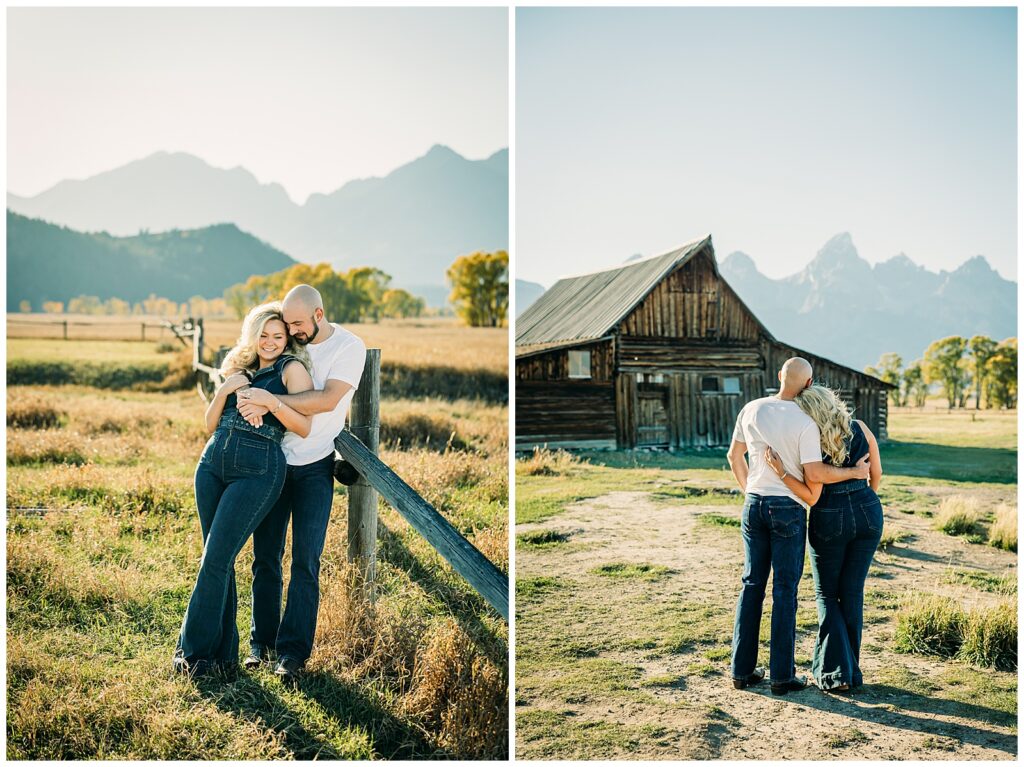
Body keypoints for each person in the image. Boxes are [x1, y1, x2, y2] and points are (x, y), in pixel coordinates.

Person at [174, 302, 314, 677]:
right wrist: (226, 391)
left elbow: (304, 426)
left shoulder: (292, 369)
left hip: (257, 469)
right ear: (253, 336)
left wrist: (269, 404)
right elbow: (209, 424)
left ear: (287, 340)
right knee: (217, 559)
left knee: (215, 559)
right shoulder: (241, 370)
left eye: (277, 336)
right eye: (263, 335)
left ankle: (192, 655)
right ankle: (223, 655)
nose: (269, 342)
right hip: (211, 464)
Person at [236, 284, 366, 684]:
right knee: (266, 558)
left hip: (314, 466)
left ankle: (292, 654)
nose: (291, 332)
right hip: (272, 462)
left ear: (319, 315)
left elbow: (327, 400)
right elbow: (250, 362)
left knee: (306, 563)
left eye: (297, 323)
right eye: (286, 324)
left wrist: (270, 401)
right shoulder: (288, 343)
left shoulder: (348, 347)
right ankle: (262, 644)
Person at [726, 357, 870, 695]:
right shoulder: (807, 422)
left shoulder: (751, 409)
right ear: (808, 384)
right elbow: (815, 475)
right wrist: (852, 473)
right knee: (785, 591)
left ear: (779, 376)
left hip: (754, 505)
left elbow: (734, 457)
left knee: (751, 585)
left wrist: (752, 492)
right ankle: (781, 676)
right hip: (788, 510)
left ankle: (741, 671)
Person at [763, 384, 884, 693]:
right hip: (869, 510)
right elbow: (877, 474)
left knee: (827, 595)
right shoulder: (860, 428)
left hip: (829, 513)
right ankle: (850, 672)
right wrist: (862, 500)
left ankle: (835, 674)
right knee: (852, 593)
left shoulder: (811, 436)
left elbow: (814, 480)